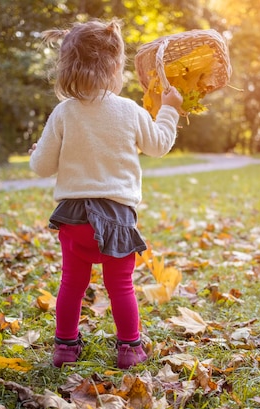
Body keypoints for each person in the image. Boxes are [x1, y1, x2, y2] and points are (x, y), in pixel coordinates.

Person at [29, 18, 183, 369]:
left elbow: (42, 166)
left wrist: (36, 150)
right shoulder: (129, 110)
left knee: (72, 283)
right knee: (121, 285)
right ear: (116, 67)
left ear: (67, 66)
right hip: (117, 220)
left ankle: (65, 347)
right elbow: (158, 145)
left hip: (74, 221)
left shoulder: (63, 113)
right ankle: (129, 348)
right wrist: (170, 109)